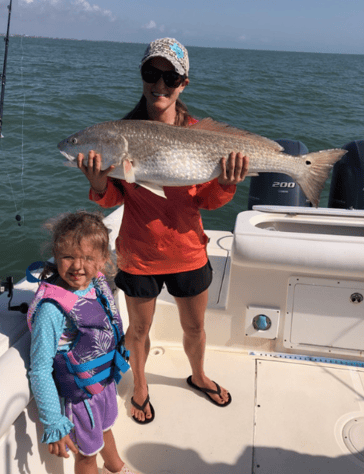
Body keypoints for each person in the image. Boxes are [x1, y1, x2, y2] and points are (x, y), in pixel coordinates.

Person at [77, 37, 249, 424]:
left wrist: (227, 182)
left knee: (195, 326)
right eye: (151, 73)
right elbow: (113, 197)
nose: (160, 84)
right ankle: (140, 386)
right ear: (141, 76)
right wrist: (101, 184)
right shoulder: (121, 133)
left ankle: (199, 374)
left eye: (170, 76)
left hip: (188, 250)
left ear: (184, 82)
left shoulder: (200, 134)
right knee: (138, 330)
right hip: (139, 254)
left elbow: (206, 201)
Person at [27, 211, 137, 474]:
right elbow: (40, 370)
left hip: (104, 385)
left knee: (106, 429)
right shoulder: (52, 311)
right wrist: (53, 423)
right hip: (80, 400)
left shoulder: (97, 285)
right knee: (87, 456)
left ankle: (116, 467)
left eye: (88, 258)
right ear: (55, 254)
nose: (78, 266)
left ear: (102, 260)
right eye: (68, 257)